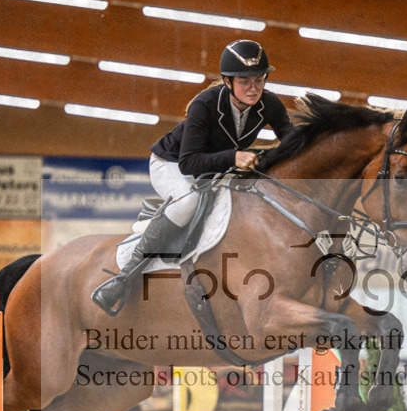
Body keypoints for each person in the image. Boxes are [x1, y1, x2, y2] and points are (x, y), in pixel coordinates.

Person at [92, 39, 295, 316]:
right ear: (228, 81)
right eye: (245, 81)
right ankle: (124, 277)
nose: (253, 88)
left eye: (259, 80)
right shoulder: (205, 104)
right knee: (187, 203)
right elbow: (189, 163)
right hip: (172, 164)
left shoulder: (270, 104)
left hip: (214, 170)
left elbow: (294, 143)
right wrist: (234, 157)